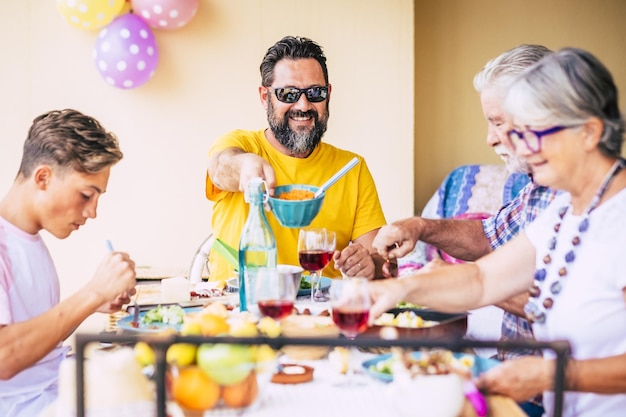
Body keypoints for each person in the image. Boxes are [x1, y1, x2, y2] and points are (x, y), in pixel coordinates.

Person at [369, 47, 626, 417]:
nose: (519, 147)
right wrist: (396, 288)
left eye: (533, 132)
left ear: (588, 132)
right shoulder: (563, 212)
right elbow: (480, 280)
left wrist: (550, 374)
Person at [206, 36, 387, 283]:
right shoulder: (242, 145)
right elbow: (220, 167)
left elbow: (381, 261)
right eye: (288, 93)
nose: (303, 105)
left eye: (315, 92)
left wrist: (368, 264)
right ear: (264, 97)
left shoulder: (351, 168)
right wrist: (245, 166)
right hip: (237, 310)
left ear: (328, 95)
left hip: (320, 312)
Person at [0, 109, 137, 416]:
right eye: (86, 195)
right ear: (43, 177)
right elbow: (5, 356)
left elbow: (37, 343)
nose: (93, 212)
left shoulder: (29, 239)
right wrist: (92, 293)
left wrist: (94, 303)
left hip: (58, 388)